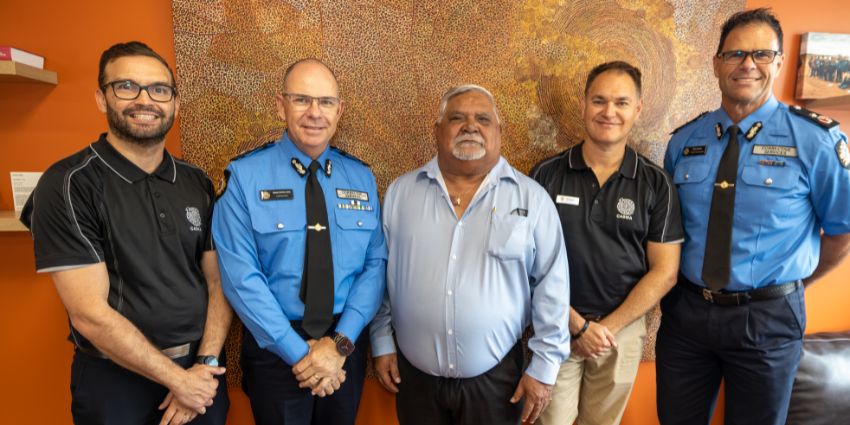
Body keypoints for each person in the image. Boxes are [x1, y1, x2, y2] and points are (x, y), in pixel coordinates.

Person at [20, 41, 231, 425]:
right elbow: (88, 314)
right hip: (115, 382)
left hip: (199, 373)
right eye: (127, 87)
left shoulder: (196, 181)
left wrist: (204, 365)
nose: (145, 100)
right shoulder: (68, 183)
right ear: (102, 98)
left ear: (175, 103)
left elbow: (218, 283)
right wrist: (178, 382)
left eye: (159, 89)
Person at [659, 8, 850, 425]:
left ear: (779, 62)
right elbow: (668, 230)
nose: (747, 64)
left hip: (768, 319)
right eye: (735, 54)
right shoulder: (684, 141)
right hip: (687, 315)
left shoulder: (817, 140)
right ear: (717, 64)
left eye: (762, 54)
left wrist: (791, 285)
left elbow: (842, 231)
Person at [370, 84, 571, 425]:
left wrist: (544, 367)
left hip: (497, 381)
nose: (470, 126)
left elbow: (553, 286)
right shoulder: (401, 194)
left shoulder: (532, 198)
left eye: (483, 119)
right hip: (414, 379)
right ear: (437, 130)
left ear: (499, 132)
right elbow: (380, 275)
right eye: (457, 118)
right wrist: (380, 341)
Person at [212, 58, 386, 425]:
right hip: (275, 349)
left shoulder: (361, 177)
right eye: (301, 100)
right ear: (281, 106)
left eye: (325, 102)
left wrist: (339, 345)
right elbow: (240, 277)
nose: (314, 113)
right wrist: (300, 354)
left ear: (339, 110)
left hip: (345, 346)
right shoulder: (244, 176)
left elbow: (375, 267)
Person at [531, 61, 683, 425]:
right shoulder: (546, 175)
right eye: (599, 100)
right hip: (555, 326)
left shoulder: (656, 183)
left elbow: (665, 271)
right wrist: (577, 325)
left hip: (620, 334)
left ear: (638, 109)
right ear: (584, 104)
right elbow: (526, 263)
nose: (609, 112)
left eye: (621, 102)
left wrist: (605, 329)